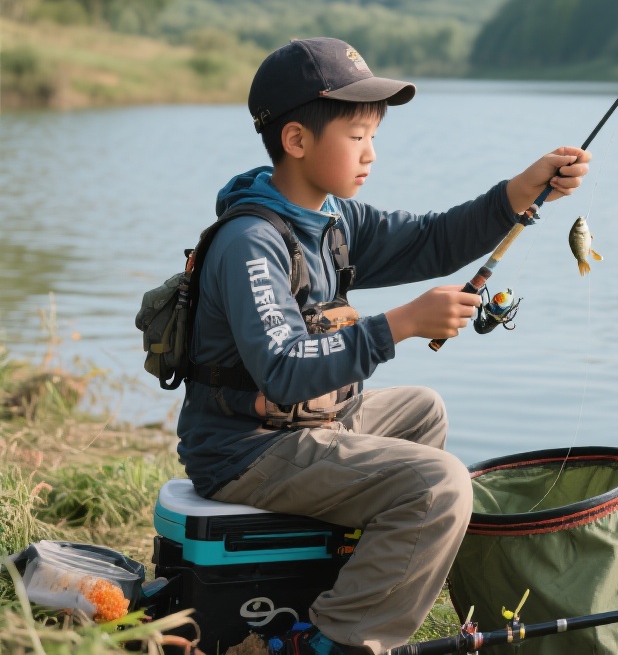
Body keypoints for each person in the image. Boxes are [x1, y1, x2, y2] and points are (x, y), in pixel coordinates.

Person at [175, 36, 590, 655]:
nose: (371, 152)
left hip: (307, 429)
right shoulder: (251, 243)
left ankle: (350, 583)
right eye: (356, 135)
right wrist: (399, 324)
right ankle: (337, 642)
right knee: (441, 485)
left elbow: (433, 240)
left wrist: (522, 190)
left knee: (422, 409)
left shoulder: (333, 220)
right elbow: (284, 371)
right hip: (245, 451)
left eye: (375, 134)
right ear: (296, 141)